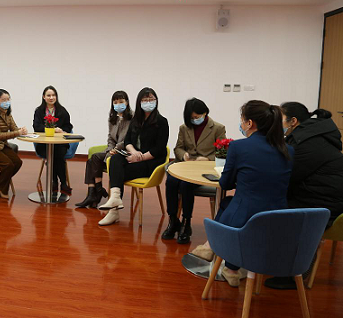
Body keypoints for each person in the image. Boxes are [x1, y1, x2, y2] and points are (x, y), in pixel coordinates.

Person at [191, 100, 293, 287]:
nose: (241, 123)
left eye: (242, 119)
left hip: (247, 219)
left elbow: (226, 183)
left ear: (250, 123)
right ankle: (224, 262)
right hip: (278, 219)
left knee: (232, 204)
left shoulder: (239, 147)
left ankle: (218, 255)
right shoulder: (288, 150)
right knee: (227, 203)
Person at [263, 102, 343, 290]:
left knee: (272, 210)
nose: (277, 123)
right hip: (326, 196)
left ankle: (294, 270)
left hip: (323, 203)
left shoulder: (306, 142)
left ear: (293, 121)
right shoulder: (313, 134)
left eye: (281, 119)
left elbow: (288, 176)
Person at [98, 87, 169, 226]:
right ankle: (115, 198)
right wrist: (133, 152)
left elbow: (159, 149)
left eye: (151, 99)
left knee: (117, 172)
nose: (148, 102)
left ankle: (114, 210)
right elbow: (128, 141)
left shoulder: (161, 122)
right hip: (135, 155)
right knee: (115, 159)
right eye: (145, 100)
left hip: (151, 161)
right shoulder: (136, 119)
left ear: (156, 101)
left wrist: (140, 157)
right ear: (139, 102)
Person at [162, 98, 226, 244]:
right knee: (171, 181)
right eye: (191, 118)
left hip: (204, 169)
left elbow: (222, 152)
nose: (195, 120)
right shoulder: (184, 128)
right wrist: (183, 155)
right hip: (186, 166)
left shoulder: (218, 128)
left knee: (186, 185)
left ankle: (186, 222)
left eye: (197, 117)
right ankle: (173, 220)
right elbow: (178, 148)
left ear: (205, 113)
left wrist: (207, 159)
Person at [76, 90, 132, 208]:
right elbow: (110, 138)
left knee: (95, 158)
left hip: (125, 151)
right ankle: (95, 192)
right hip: (113, 150)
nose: (118, 104)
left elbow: (129, 139)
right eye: (115, 102)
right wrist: (110, 149)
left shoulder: (132, 118)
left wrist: (115, 149)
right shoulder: (113, 118)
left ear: (126, 102)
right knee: (91, 160)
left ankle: (96, 192)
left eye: (121, 101)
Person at [32, 85, 74, 194]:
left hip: (60, 144)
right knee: (54, 155)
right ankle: (62, 183)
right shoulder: (39, 111)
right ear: (44, 97)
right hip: (44, 144)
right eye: (48, 95)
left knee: (57, 154)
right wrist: (52, 129)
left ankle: (56, 182)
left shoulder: (62, 111)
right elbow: (36, 127)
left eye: (53, 95)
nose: (51, 98)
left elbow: (68, 126)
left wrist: (63, 131)